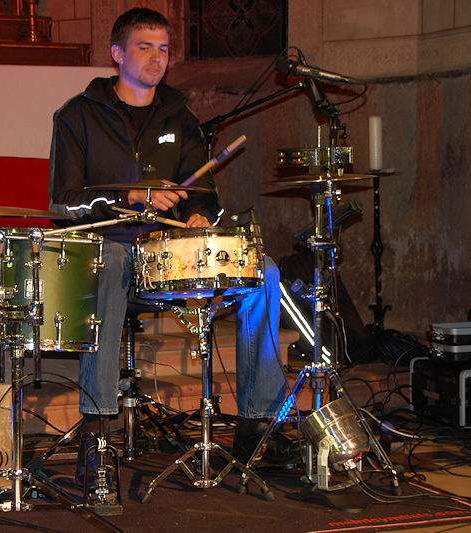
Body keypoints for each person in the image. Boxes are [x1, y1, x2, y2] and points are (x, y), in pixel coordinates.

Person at [49, 8, 292, 488]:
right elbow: (63, 202)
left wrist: (200, 216)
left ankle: (257, 425)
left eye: (163, 48)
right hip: (109, 252)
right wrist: (132, 196)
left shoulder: (181, 118)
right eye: (144, 47)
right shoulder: (78, 115)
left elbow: (203, 196)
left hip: (168, 257)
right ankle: (97, 433)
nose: (156, 57)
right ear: (117, 54)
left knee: (262, 271)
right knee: (111, 260)